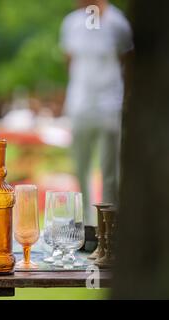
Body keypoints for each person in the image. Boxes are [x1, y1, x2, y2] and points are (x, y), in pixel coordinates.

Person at [60, 0, 133, 250]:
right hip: (80, 106)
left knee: (110, 172)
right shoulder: (71, 23)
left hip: (109, 107)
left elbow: (128, 60)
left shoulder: (118, 23)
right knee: (80, 169)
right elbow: (69, 59)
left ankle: (110, 231)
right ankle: (86, 230)